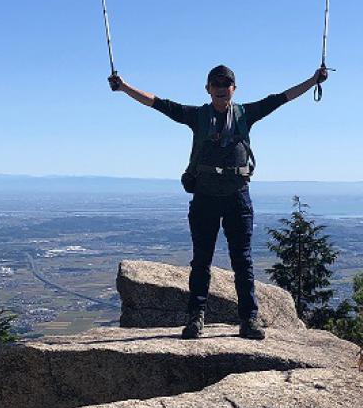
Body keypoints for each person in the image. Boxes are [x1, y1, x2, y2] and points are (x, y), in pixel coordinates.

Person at [108, 63, 328, 339]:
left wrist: (313, 80)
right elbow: (158, 103)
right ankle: (196, 318)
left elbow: (281, 98)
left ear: (234, 89)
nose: (222, 89)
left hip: (237, 197)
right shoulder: (198, 116)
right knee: (201, 261)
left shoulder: (246, 113)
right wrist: (124, 87)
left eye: (226, 84)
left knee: (243, 262)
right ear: (208, 89)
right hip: (206, 198)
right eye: (217, 84)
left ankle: (249, 320)